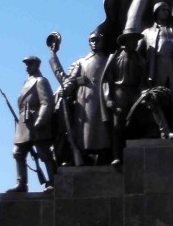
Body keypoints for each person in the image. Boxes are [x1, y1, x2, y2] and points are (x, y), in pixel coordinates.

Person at [139, 2, 173, 135]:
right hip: (156, 66)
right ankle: (163, 131)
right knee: (155, 98)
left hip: (172, 65)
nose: (166, 12)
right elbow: (137, 54)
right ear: (156, 12)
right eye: (163, 10)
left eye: (168, 10)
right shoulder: (146, 33)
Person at [63, 29, 112, 164]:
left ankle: (103, 154)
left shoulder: (108, 60)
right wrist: (66, 89)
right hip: (85, 99)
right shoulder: (82, 62)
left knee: (101, 130)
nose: (95, 43)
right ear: (89, 43)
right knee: (85, 130)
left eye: (97, 40)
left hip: (102, 97)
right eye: (92, 40)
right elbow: (71, 80)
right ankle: (85, 156)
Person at [8, 56, 55, 192]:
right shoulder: (26, 82)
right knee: (18, 152)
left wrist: (41, 119)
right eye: (26, 64)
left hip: (36, 120)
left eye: (29, 64)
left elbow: (47, 102)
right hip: (25, 122)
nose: (27, 67)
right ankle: (21, 183)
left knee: (44, 153)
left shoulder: (40, 81)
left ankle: (52, 181)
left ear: (37, 65)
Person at [102, 31, 146, 165]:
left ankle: (137, 152)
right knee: (117, 125)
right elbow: (107, 79)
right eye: (133, 41)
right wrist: (108, 98)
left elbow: (144, 78)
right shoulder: (115, 57)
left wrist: (144, 92)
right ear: (125, 42)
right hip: (119, 91)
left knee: (138, 120)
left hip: (135, 91)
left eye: (137, 41)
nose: (136, 43)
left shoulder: (139, 59)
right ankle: (116, 156)